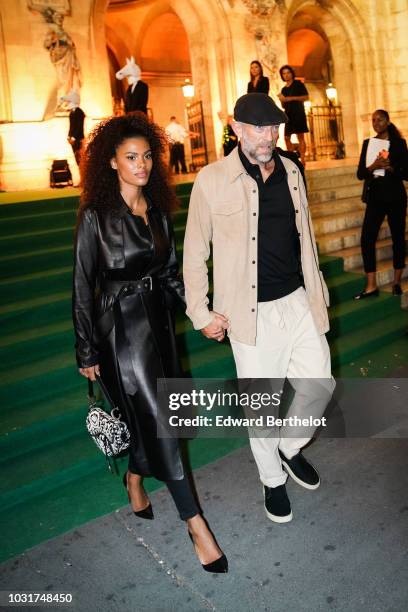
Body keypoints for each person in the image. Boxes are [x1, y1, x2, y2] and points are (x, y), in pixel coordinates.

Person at [72, 113, 227, 573]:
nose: (142, 165)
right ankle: (195, 524)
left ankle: (135, 478)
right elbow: (83, 285)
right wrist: (85, 350)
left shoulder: (157, 212)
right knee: (162, 421)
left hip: (159, 326)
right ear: (112, 164)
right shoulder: (96, 218)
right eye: (131, 157)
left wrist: (202, 317)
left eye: (146, 157)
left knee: (161, 420)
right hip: (120, 334)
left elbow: (170, 275)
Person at [183, 93, 335, 524]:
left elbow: (304, 237)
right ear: (236, 129)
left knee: (319, 385)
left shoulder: (292, 170)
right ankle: (272, 480)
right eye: (257, 128)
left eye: (273, 127)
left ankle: (288, 448)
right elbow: (194, 253)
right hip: (249, 314)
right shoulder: (211, 180)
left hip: (299, 300)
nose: (268, 136)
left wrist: (316, 292)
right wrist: (201, 312)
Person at [354, 110, 408, 299]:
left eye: (380, 119)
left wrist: (392, 167)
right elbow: (360, 173)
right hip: (376, 198)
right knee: (367, 238)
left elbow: (407, 173)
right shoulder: (369, 144)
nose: (376, 123)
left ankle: (396, 282)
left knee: (398, 239)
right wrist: (374, 166)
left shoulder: (399, 144)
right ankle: (371, 285)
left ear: (388, 121)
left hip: (396, 198)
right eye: (374, 120)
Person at [277, 65, 309, 166]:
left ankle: (303, 159)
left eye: (288, 73)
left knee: (301, 137)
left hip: (298, 112)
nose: (286, 75)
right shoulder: (283, 89)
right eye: (284, 73)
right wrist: (282, 100)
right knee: (286, 137)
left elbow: (306, 97)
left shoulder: (298, 84)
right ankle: (292, 158)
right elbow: (283, 105)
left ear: (292, 73)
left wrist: (290, 98)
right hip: (288, 114)